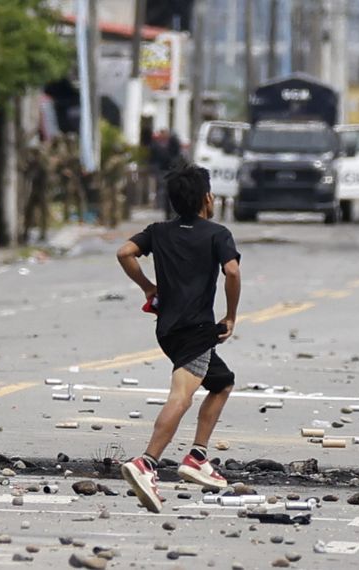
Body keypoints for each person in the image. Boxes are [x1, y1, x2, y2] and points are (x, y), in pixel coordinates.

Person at [116, 162, 242, 513]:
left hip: (167, 329)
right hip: (197, 330)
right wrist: (231, 314)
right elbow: (231, 270)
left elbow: (124, 252)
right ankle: (147, 463)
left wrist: (148, 287)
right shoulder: (217, 234)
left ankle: (198, 456)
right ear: (206, 198)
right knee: (182, 396)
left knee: (222, 382)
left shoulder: (159, 231)